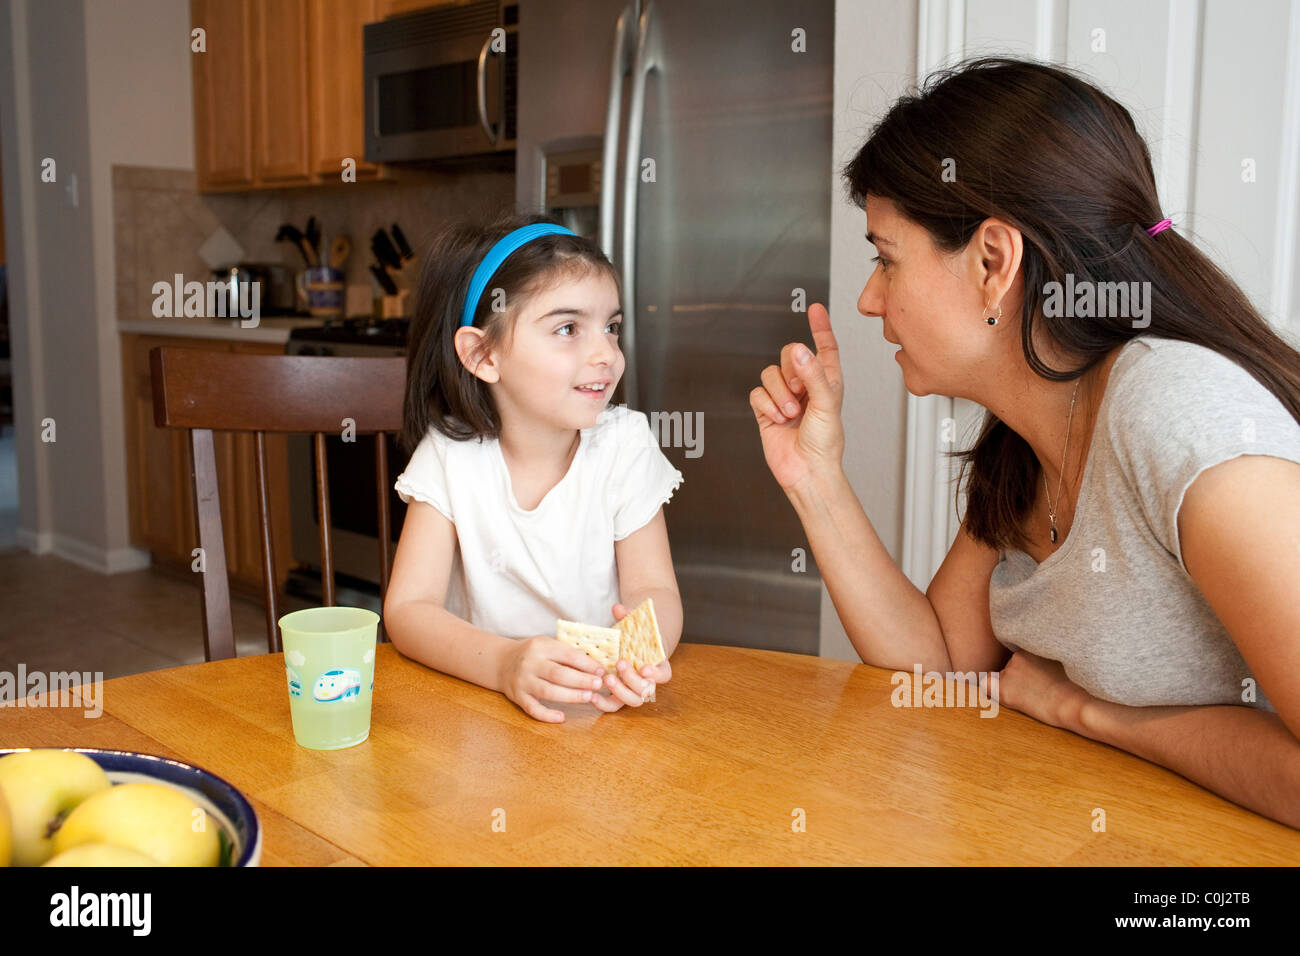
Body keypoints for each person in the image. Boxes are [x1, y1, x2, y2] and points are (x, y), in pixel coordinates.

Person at [750, 57, 1300, 828]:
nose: (870, 300)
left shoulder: (1179, 412)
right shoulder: (1029, 434)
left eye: (885, 258)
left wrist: (1091, 714)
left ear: (993, 262)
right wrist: (816, 478)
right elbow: (940, 668)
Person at [384, 213, 683, 723]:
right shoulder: (450, 456)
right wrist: (503, 664)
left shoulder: (624, 446)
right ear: (482, 354)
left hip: (596, 721)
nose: (606, 354)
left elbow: (654, 591)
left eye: (611, 327)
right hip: (477, 719)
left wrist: (638, 651)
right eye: (568, 328)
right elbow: (408, 610)